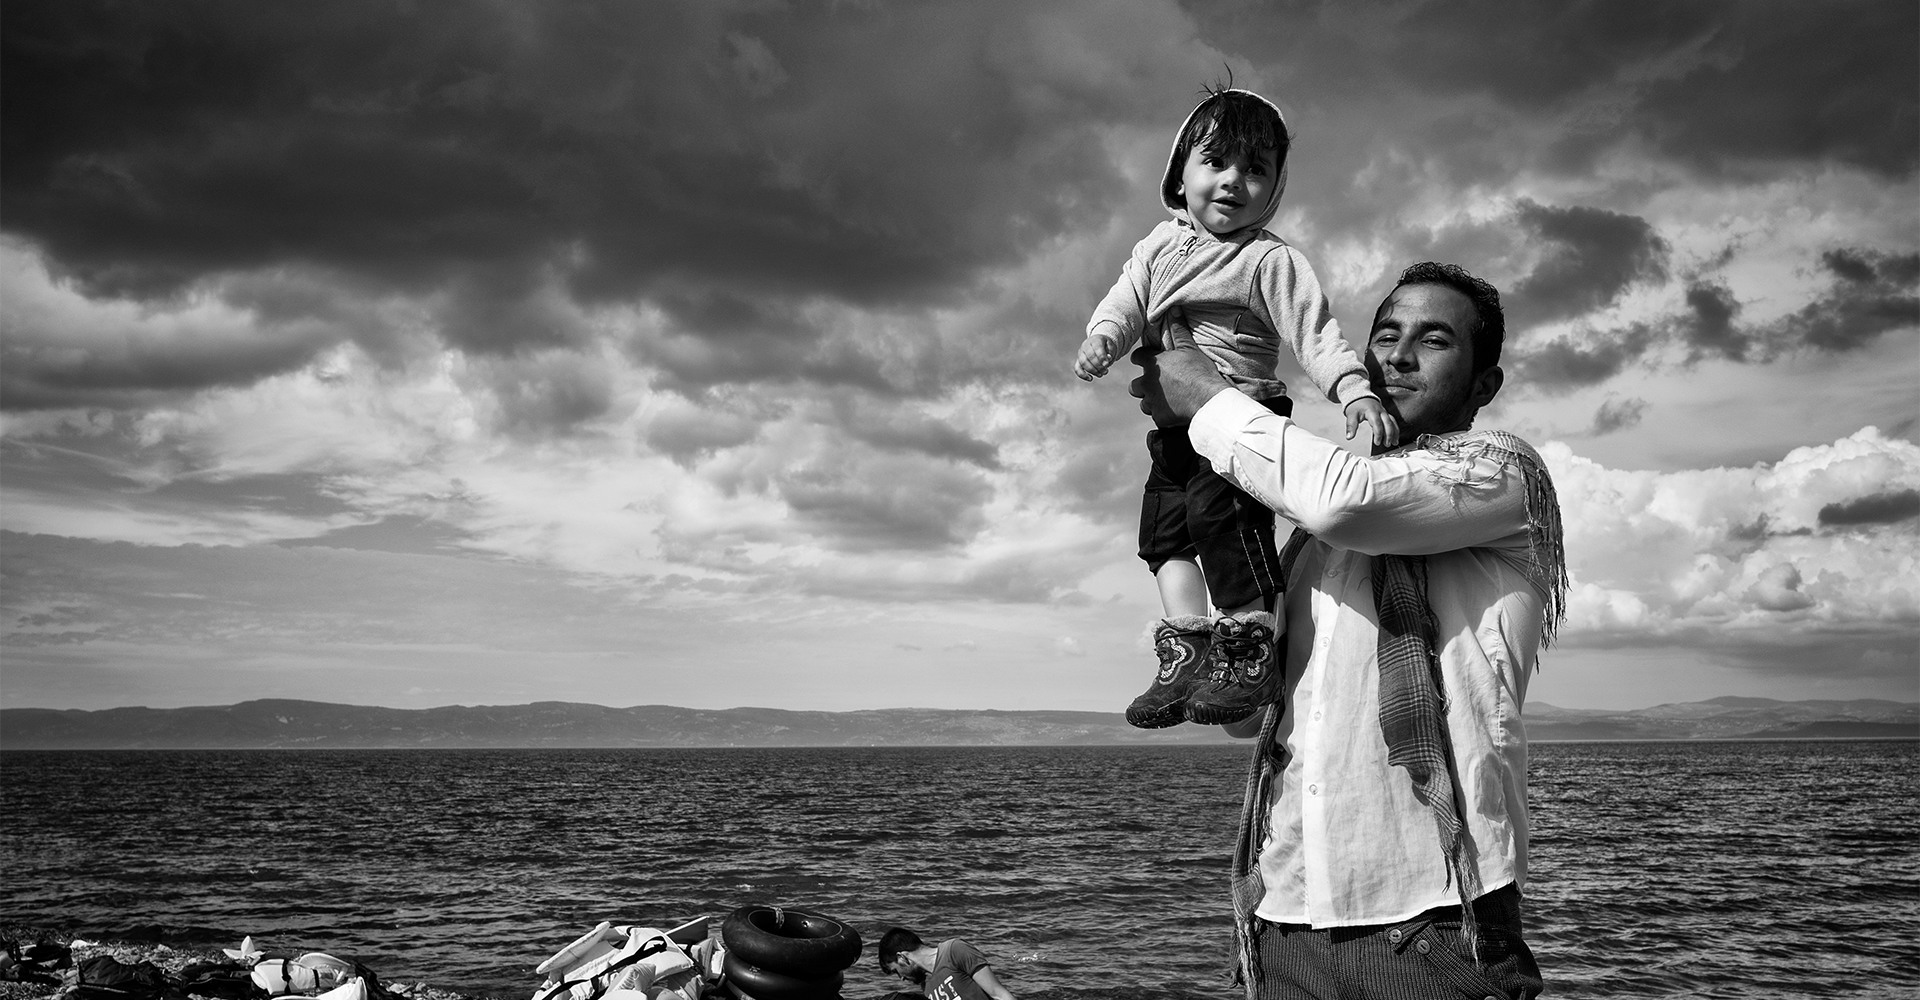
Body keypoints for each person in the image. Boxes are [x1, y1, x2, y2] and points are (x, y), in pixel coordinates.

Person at [1133, 262, 1564, 999]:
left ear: (1484, 385)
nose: (1396, 355)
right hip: (1285, 919)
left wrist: (1207, 398)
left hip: (1436, 922)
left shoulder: (1500, 474)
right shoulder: (1311, 545)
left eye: (1432, 341)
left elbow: (1345, 498)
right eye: (1386, 335)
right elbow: (1249, 721)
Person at [1072, 84, 1398, 731]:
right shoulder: (1156, 247)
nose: (1233, 182)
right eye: (1215, 162)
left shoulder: (1267, 260)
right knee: (1163, 541)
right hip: (1171, 435)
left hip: (1241, 422)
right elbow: (1125, 298)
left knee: (1229, 537)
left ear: (1274, 188)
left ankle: (1248, 648)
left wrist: (1354, 388)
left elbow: (1315, 332)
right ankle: (1187, 650)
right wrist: (1104, 337)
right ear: (1179, 172)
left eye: (1255, 170)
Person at [875, 928, 1017, 1000]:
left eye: (896, 971)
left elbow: (999, 994)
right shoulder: (927, 987)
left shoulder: (954, 950)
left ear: (902, 958)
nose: (901, 978)